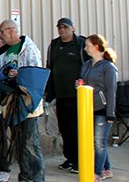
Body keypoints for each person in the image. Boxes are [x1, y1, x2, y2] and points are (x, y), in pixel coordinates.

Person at [0, 19, 45, 182]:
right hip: (12, 104)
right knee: (19, 144)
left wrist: (19, 74)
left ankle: (37, 178)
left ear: (11, 30)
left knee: (30, 144)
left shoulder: (30, 49)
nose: (0, 36)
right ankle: (25, 176)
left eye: (2, 32)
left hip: (29, 105)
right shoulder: (4, 53)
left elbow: (35, 76)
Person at [44, 17, 89, 173]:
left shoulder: (81, 44)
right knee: (65, 129)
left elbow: (89, 67)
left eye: (65, 27)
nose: (62, 30)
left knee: (77, 129)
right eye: (60, 27)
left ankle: (80, 160)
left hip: (78, 96)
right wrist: (48, 93)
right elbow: (49, 67)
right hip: (60, 94)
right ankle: (70, 158)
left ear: (72, 28)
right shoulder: (54, 45)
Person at [80, 34, 117, 181]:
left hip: (103, 109)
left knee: (98, 143)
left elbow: (111, 91)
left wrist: (110, 113)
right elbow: (85, 80)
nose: (85, 48)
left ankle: (97, 171)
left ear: (96, 46)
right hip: (88, 108)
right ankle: (107, 169)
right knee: (97, 141)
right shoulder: (87, 65)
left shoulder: (108, 67)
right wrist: (80, 84)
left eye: (87, 45)